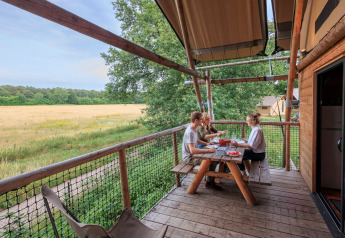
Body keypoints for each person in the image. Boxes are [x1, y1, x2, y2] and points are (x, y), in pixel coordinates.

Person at [182, 111, 222, 190]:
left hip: (194, 155)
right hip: (189, 158)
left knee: (213, 159)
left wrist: (207, 144)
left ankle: (209, 180)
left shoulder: (193, 129)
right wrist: (208, 151)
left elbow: (197, 140)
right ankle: (209, 182)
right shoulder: (190, 132)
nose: (202, 121)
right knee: (210, 160)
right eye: (201, 119)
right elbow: (192, 150)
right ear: (196, 120)